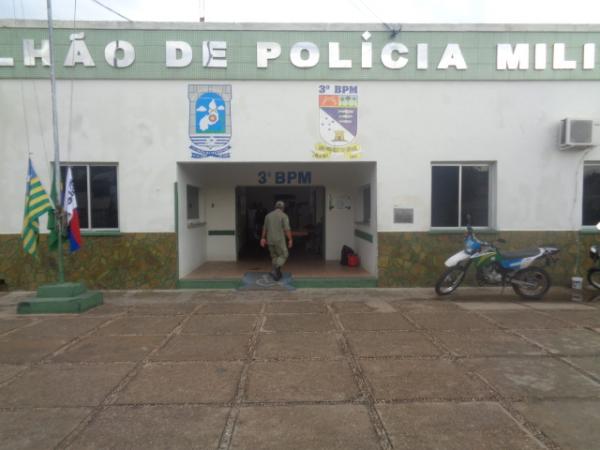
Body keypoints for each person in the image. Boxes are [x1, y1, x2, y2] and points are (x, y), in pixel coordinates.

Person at [260, 200, 293, 281]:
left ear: (275, 207)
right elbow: (287, 229)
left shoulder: (268, 216)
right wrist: (290, 239)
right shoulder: (284, 216)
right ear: (283, 208)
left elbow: (264, 228)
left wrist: (263, 238)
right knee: (284, 254)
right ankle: (275, 270)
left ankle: (277, 274)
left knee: (274, 256)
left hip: (270, 240)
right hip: (279, 240)